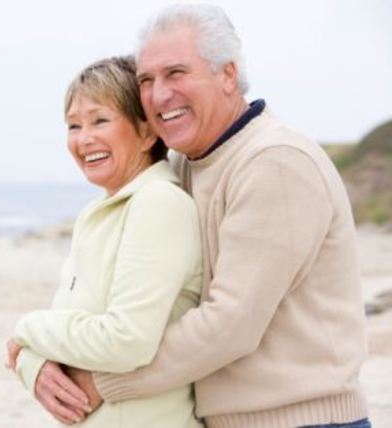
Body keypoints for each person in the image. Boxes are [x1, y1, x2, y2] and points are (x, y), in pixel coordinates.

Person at [29, 4, 371, 428]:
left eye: (176, 73)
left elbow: (229, 325)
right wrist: (35, 358)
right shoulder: (184, 167)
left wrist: (103, 382)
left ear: (228, 74)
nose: (158, 95)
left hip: (300, 420)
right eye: (146, 80)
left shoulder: (275, 162)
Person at [6, 56, 204, 427]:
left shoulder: (159, 203)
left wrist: (26, 329)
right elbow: (68, 329)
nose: (84, 139)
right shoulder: (96, 215)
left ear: (147, 133)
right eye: (73, 125)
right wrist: (31, 362)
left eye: (100, 121)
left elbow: (126, 341)